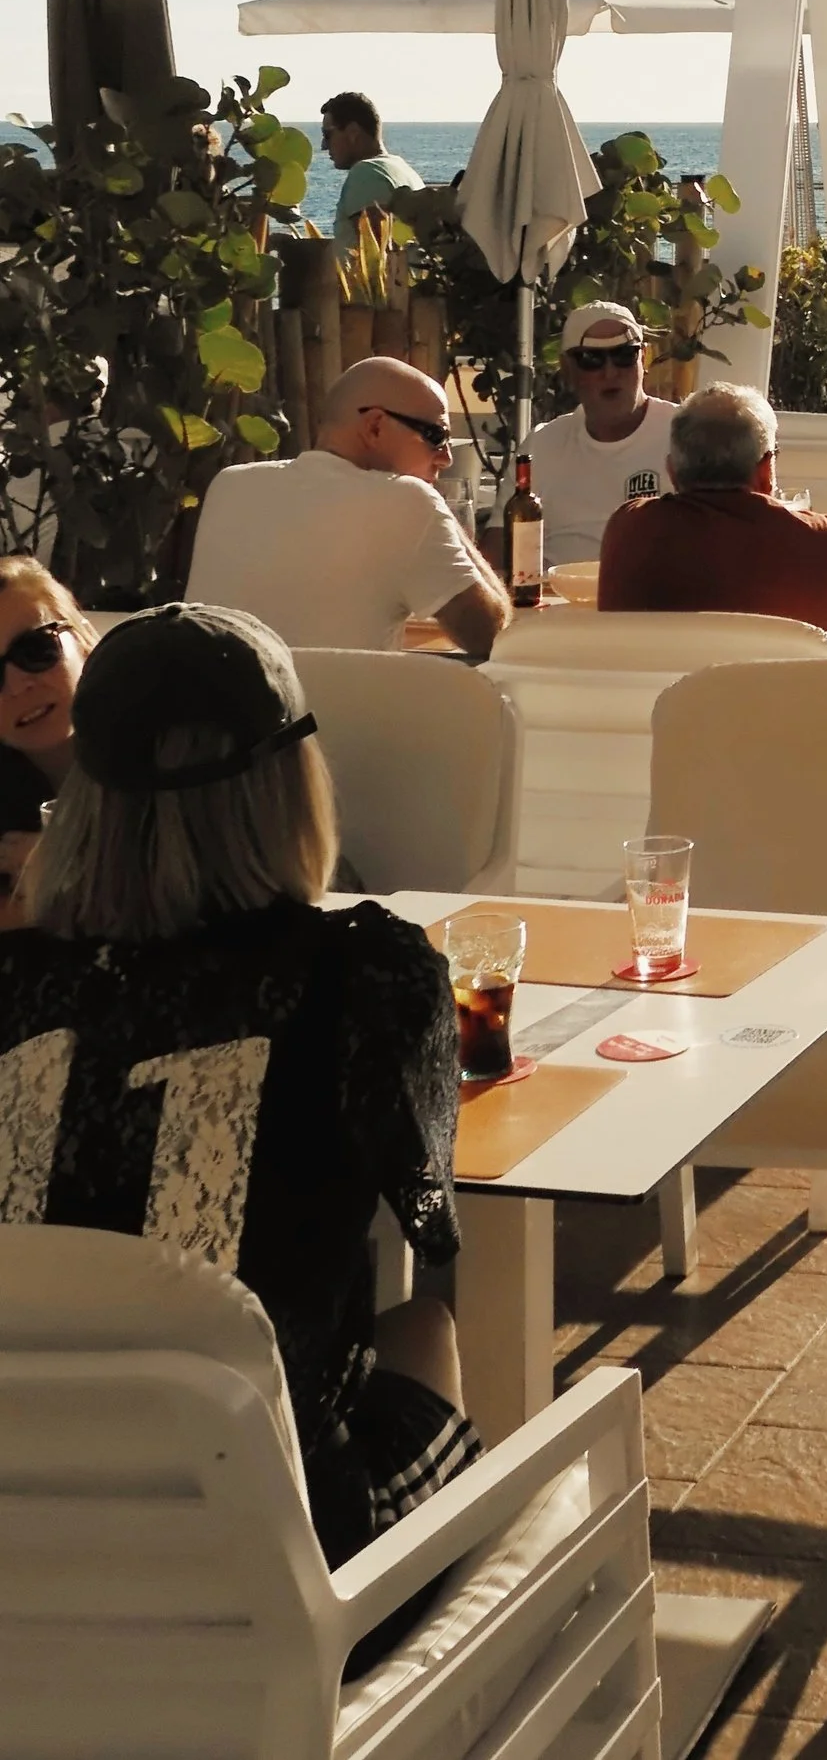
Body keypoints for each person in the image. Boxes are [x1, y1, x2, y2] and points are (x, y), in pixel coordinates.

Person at [0, 604, 478, 1584]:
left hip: (29, 1547)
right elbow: (429, 1219)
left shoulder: (16, 980)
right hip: (278, 1560)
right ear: (290, 783)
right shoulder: (364, 977)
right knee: (422, 1324)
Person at [188, 360, 513, 662]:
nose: (446, 458)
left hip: (223, 719)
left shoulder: (230, 485)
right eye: (436, 435)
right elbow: (493, 636)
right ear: (374, 426)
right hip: (341, 721)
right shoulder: (406, 503)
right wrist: (433, 503)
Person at [598, 384, 827, 648]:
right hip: (775, 724)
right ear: (766, 470)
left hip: (655, 722)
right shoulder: (814, 542)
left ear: (672, 470)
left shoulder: (627, 529)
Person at [506, 301, 677, 566]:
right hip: (556, 602)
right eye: (591, 359)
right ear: (567, 370)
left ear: (643, 358)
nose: (610, 373)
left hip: (653, 603)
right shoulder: (541, 447)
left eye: (624, 355)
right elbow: (498, 550)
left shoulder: (686, 435)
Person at [0, 560, 90, 922]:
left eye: (35, 650)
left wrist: (67, 872)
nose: (20, 685)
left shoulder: (169, 749)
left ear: (83, 638)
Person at [320, 92, 426, 232]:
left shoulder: (366, 172)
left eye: (327, 135)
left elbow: (373, 247)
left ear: (353, 132)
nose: (323, 145)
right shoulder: (401, 168)